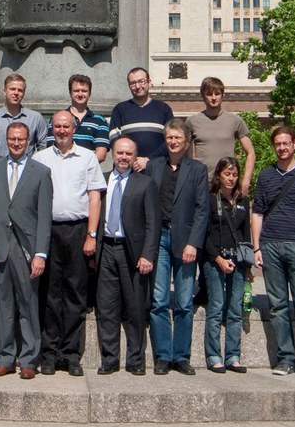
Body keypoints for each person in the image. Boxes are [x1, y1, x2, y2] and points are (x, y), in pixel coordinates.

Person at [0, 120, 53, 379]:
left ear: (29, 141)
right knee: (3, 305)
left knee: (28, 305)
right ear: (6, 141)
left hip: (27, 249)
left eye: (21, 139)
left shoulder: (41, 172)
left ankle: (29, 359)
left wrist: (41, 253)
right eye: (12, 139)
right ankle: (5, 357)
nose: (16, 143)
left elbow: (44, 217)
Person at [250, 124, 295, 379]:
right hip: (270, 245)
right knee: (279, 306)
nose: (281, 148)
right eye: (277, 144)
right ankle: (285, 359)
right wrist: (256, 247)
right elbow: (257, 212)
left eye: (286, 143)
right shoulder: (266, 176)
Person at [34, 110, 103, 375]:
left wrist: (91, 235)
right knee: (50, 294)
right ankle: (50, 353)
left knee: (75, 294)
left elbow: (94, 197)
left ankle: (71, 354)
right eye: (58, 126)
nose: (62, 130)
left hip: (78, 231)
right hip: (48, 231)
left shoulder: (86, 158)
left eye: (67, 126)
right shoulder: (40, 159)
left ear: (74, 129)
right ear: (52, 129)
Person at [147, 117, 209, 376]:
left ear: (186, 142)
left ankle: (181, 356)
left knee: (184, 302)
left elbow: (202, 210)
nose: (173, 142)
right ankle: (163, 355)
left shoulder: (197, 170)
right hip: (159, 239)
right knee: (159, 300)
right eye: (169, 137)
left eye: (178, 138)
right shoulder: (154, 166)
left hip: (185, 242)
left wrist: (194, 242)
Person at [94, 135, 160, 376]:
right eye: (120, 153)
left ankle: (135, 360)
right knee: (107, 308)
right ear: (112, 153)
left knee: (135, 308)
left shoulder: (145, 183)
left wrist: (148, 255)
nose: (123, 157)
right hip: (106, 250)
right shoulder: (101, 181)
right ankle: (109, 359)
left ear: (135, 157)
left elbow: (153, 223)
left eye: (128, 154)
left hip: (132, 253)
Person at [202, 157, 251, 373]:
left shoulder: (243, 200)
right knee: (216, 307)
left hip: (238, 261)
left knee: (235, 310)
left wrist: (248, 265)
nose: (230, 178)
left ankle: (233, 356)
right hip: (215, 260)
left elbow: (245, 232)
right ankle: (214, 355)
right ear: (219, 175)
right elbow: (203, 234)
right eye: (226, 174)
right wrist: (218, 259)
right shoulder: (210, 199)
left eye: (234, 174)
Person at [187, 77, 256, 194]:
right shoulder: (192, 121)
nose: (214, 98)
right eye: (209, 94)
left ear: (222, 95)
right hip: (201, 183)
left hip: (227, 184)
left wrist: (246, 181)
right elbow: (185, 154)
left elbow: (251, 153)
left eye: (217, 94)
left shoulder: (235, 121)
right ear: (203, 96)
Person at [108, 68, 173, 166]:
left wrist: (149, 160)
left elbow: (171, 140)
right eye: (133, 83)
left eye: (141, 81)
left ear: (149, 82)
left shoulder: (164, 109)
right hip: (128, 167)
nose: (137, 86)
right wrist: (131, 159)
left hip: (158, 167)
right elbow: (114, 141)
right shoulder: (120, 109)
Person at [48, 73, 110, 162]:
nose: (80, 94)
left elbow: (101, 154)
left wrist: (80, 167)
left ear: (89, 93)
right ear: (70, 93)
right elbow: (51, 149)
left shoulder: (99, 120)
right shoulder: (57, 118)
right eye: (76, 91)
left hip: (88, 172)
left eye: (84, 91)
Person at [0, 72, 48, 157]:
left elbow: (43, 148)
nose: (16, 93)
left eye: (20, 90)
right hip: (0, 168)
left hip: (27, 168)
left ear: (23, 94)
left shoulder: (35, 118)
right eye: (12, 89)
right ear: (4, 91)